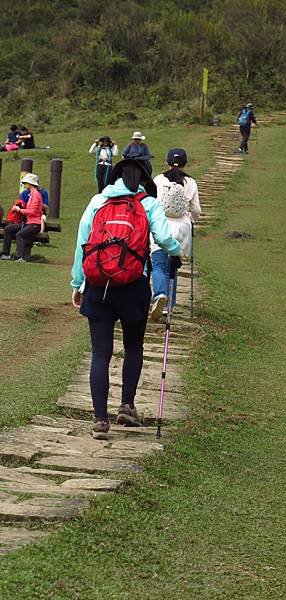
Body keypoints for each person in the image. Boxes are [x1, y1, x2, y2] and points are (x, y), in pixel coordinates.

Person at [71, 158, 181, 440]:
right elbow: (165, 240)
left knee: (100, 353)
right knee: (133, 346)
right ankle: (127, 406)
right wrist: (178, 252)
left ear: (117, 176)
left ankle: (99, 420)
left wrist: (77, 283)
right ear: (145, 180)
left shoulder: (98, 201)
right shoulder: (148, 204)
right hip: (133, 285)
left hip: (98, 286)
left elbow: (82, 241)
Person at [150, 148, 201, 321]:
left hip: (161, 225)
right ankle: (169, 306)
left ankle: (160, 295)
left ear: (167, 162)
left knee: (158, 264)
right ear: (186, 163)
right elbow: (196, 209)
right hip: (182, 228)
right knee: (173, 267)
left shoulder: (158, 179)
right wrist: (190, 220)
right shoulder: (191, 182)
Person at [0, 173, 43, 262]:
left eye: (25, 183)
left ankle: (21, 257)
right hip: (28, 223)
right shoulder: (31, 195)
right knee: (8, 229)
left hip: (34, 224)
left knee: (20, 234)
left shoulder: (36, 195)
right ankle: (5, 254)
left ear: (30, 184)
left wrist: (19, 210)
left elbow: (33, 211)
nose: (24, 185)